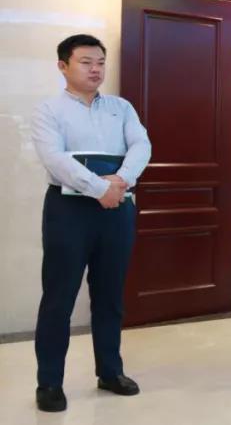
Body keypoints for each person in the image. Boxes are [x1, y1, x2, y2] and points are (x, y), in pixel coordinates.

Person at [30, 34, 151, 412]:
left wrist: (122, 181)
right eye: (86, 62)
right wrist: (100, 188)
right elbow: (55, 159)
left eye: (100, 62)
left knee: (110, 295)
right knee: (59, 297)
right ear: (63, 66)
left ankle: (110, 371)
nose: (95, 69)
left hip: (116, 210)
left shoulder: (121, 107)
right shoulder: (49, 110)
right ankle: (50, 382)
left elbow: (141, 145)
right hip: (69, 211)